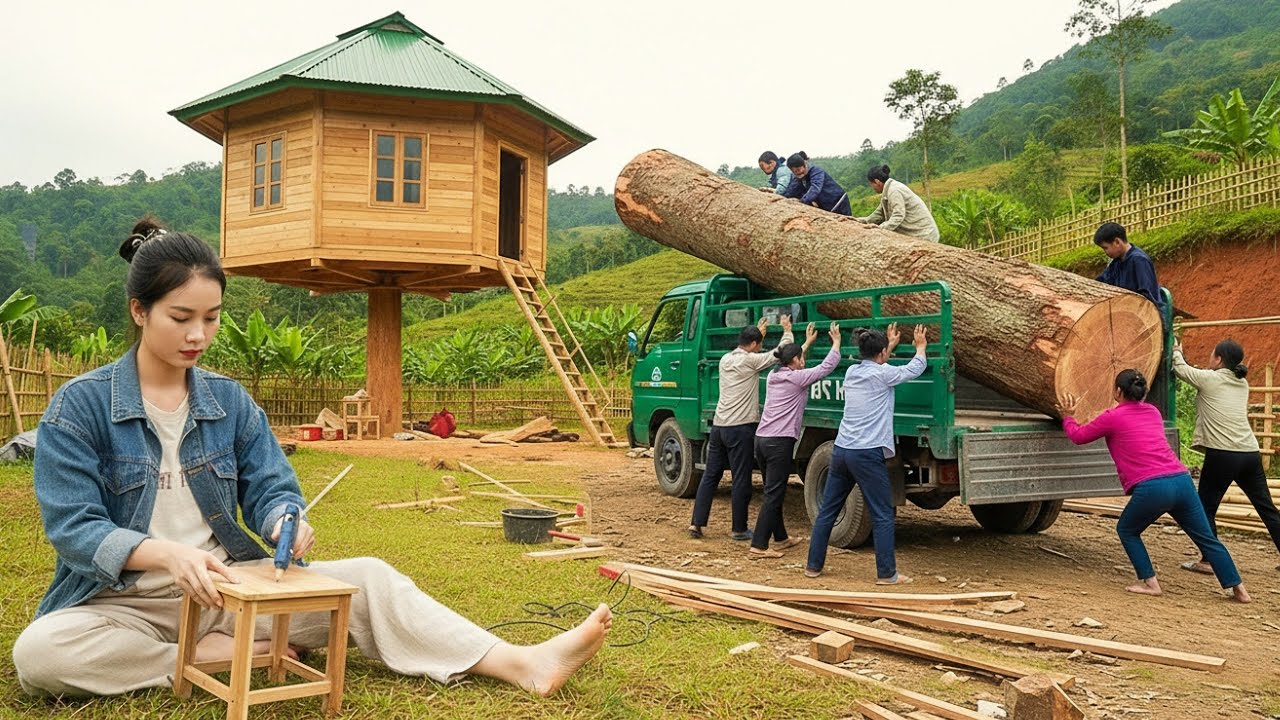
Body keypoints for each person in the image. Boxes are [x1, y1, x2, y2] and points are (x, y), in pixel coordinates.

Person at [13, 219, 612, 700]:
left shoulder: (228, 401)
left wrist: (284, 521)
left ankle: (523, 663)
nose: (198, 334)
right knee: (40, 654)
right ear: (140, 311)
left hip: (234, 595)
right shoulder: (80, 406)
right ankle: (196, 659)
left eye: (212, 319)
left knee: (370, 580)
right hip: (123, 607)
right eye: (181, 318)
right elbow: (75, 528)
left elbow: (273, 486)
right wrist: (167, 553)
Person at [1059, 370, 1251, 602]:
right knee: (1206, 537)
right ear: (1143, 392)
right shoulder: (1152, 412)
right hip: (1182, 481)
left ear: (1118, 391)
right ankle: (1239, 589)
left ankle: (1151, 583)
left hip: (1153, 487)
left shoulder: (1112, 417)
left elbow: (1079, 436)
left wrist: (1068, 416)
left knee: (1127, 530)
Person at [806, 323, 927, 583]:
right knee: (882, 512)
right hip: (866, 454)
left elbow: (879, 365)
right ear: (881, 353)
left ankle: (813, 566)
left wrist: (888, 346)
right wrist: (920, 347)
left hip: (842, 450)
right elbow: (914, 368)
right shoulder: (883, 375)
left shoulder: (852, 372)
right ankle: (887, 573)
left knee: (828, 510)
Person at [1172, 339, 1280, 574]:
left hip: (1223, 454)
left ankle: (1208, 560)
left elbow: (1181, 369)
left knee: (1205, 507)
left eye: (1212, 355)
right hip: (1249, 453)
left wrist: (1177, 352)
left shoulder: (1211, 379)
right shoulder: (1242, 384)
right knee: (1266, 508)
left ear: (1219, 359)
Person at [689, 315, 794, 540]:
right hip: (740, 428)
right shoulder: (751, 362)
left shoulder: (725, 359)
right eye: (758, 344)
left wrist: (759, 333)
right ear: (755, 345)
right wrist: (787, 329)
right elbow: (780, 352)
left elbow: (753, 352)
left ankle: (697, 523)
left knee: (711, 475)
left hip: (719, 426)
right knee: (740, 478)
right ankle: (738, 528)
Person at [749, 322, 843, 558]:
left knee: (774, 489)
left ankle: (780, 538)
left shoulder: (774, 374)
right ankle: (758, 545)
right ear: (796, 362)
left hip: (761, 439)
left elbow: (789, 357)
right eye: (801, 358)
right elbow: (825, 368)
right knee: (773, 493)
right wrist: (837, 343)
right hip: (779, 442)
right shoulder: (797, 378)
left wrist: (807, 344)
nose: (803, 361)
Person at [1093, 222, 1164, 316]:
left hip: (1146, 318)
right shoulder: (1116, 263)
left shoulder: (1139, 260)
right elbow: (1101, 282)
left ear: (1117, 242)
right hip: (1126, 314)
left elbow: (1147, 296)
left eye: (1105, 248)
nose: (1105, 252)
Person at [856, 165, 940, 242]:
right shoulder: (889, 190)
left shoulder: (894, 190)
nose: (872, 187)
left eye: (871, 184)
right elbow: (879, 214)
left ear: (877, 182)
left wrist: (880, 229)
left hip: (924, 234)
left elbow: (898, 215)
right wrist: (860, 221)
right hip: (917, 235)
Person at [780, 152, 852, 216]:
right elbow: (792, 190)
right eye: (795, 171)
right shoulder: (798, 178)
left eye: (799, 170)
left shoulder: (816, 171)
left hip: (839, 202)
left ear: (804, 164)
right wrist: (781, 199)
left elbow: (815, 189)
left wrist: (802, 202)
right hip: (826, 208)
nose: (798, 173)